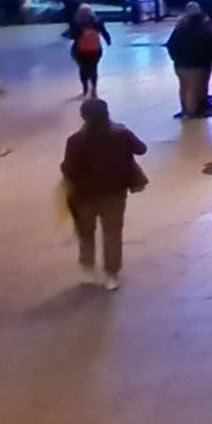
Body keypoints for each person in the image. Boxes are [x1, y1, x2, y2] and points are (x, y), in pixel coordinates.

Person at [60, 98, 147, 291]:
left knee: (85, 233)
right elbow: (141, 149)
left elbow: (69, 169)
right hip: (115, 192)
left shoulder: (75, 141)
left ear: (83, 116)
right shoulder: (121, 134)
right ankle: (111, 275)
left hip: (84, 195)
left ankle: (89, 269)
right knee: (113, 233)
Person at [165, 3, 212, 119]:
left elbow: (171, 44)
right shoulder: (205, 26)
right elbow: (210, 43)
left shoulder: (180, 27)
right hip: (198, 64)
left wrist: (175, 58)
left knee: (184, 88)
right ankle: (193, 113)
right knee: (196, 89)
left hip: (180, 64)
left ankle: (185, 111)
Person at [65, 5, 111, 98]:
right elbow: (105, 33)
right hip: (95, 50)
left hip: (80, 50)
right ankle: (94, 88)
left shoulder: (76, 23)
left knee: (83, 69)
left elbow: (72, 36)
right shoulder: (98, 21)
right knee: (94, 68)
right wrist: (108, 41)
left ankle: (85, 89)